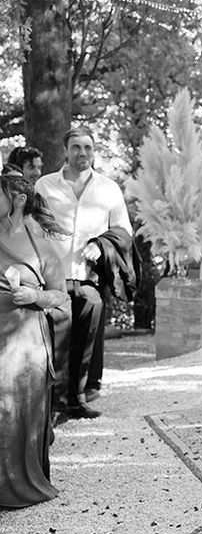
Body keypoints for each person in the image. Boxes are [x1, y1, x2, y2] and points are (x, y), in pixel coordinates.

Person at [36, 125, 132, 420]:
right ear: (65, 150)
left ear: (94, 151)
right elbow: (31, 227)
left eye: (88, 147)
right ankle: (53, 402)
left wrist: (102, 245)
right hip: (52, 277)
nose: (83, 153)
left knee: (86, 336)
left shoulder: (108, 188)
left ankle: (77, 398)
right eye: (76, 147)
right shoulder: (44, 186)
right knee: (54, 337)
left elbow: (124, 230)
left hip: (90, 278)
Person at [0, 173, 68, 508]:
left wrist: (35, 295)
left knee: (11, 408)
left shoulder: (41, 242)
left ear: (17, 199)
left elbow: (61, 294)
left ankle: (14, 484)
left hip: (24, 340)